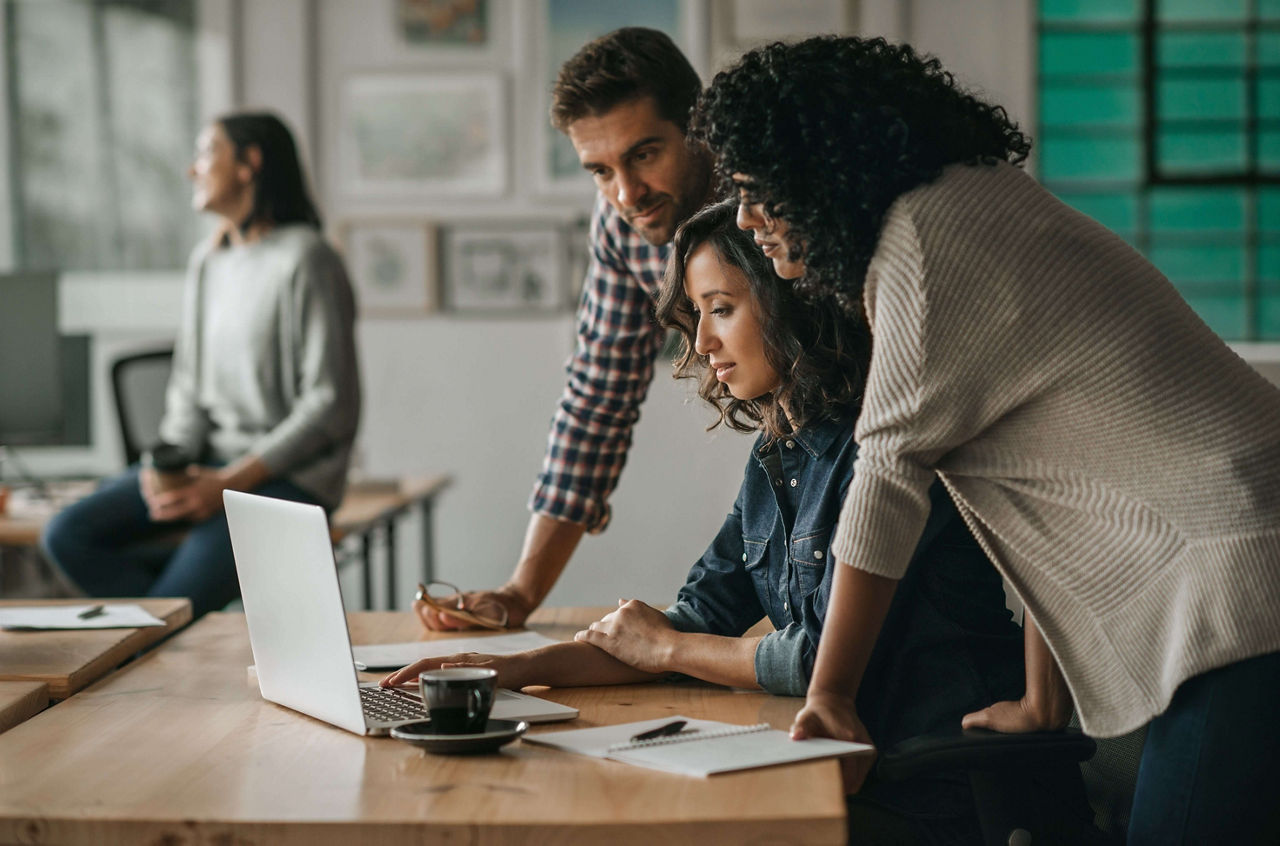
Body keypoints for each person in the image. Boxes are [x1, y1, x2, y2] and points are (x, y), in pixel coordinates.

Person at [695, 36, 1280, 843]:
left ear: (823, 168)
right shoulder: (972, 199)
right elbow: (1026, 489)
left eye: (761, 189)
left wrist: (831, 694)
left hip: (1246, 567)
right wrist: (1045, 703)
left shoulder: (923, 251)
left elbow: (887, 480)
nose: (747, 216)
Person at [388, 200, 1046, 844]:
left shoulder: (884, 454)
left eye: (721, 310)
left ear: (791, 302)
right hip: (851, 775)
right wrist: (503, 671)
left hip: (941, 798)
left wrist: (667, 648)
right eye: (697, 316)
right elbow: (695, 620)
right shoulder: (774, 457)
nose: (701, 343)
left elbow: (816, 656)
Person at [417, 27, 715, 631]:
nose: (626, 193)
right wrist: (521, 594)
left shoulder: (777, 196)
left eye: (644, 154)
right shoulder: (619, 223)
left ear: (698, 125)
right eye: (600, 170)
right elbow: (596, 400)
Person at [42, 112, 360, 619]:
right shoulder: (209, 262)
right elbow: (188, 386)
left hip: (286, 480)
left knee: (170, 607)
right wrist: (163, 467)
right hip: (209, 468)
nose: (193, 170)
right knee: (66, 534)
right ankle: (170, 633)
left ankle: (165, 632)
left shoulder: (308, 258)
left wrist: (229, 482)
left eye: (207, 152)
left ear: (249, 163)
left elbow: (330, 405)